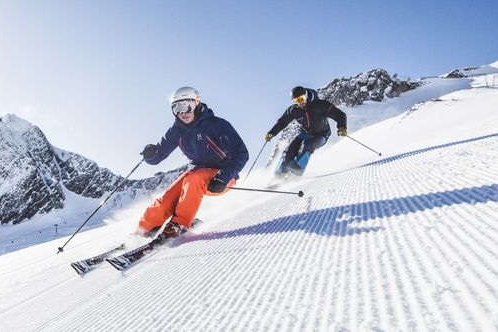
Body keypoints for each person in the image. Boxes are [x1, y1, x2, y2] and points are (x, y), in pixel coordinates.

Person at [137, 86, 249, 240]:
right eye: (177, 108)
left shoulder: (217, 125)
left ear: (197, 102)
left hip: (222, 177)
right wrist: (151, 155)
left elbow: (242, 153)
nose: (182, 112)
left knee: (193, 178)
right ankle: (142, 231)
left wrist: (224, 176)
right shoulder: (176, 130)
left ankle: (179, 225)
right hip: (196, 173)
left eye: (186, 106)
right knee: (168, 198)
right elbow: (158, 156)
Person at [265, 86, 347, 177]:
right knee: (289, 150)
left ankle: (295, 174)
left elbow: (339, 115)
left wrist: (342, 127)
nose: (300, 102)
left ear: (306, 96)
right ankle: (278, 175)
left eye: (302, 98)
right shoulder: (294, 110)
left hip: (321, 135)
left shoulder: (320, 105)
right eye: (297, 100)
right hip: (304, 134)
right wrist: (272, 133)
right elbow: (282, 122)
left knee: (307, 145)